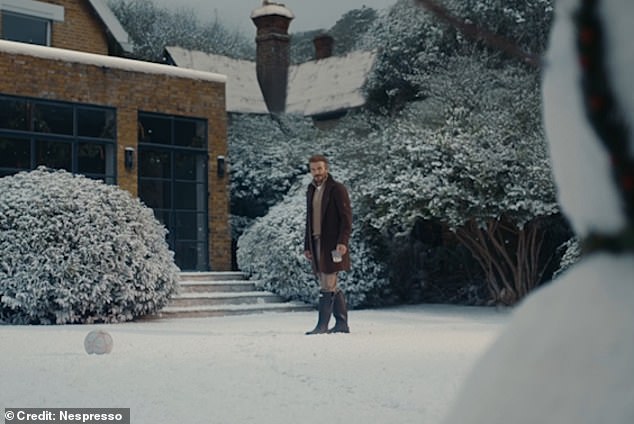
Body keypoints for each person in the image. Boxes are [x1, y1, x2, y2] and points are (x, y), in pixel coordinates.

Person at [303, 155, 352, 335]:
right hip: (316, 242)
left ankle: (322, 325)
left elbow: (346, 219)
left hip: (333, 244)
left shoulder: (337, 189)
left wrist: (342, 241)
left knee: (328, 281)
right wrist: (307, 245)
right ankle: (341, 323)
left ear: (326, 169)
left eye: (320, 169)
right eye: (313, 169)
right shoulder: (310, 190)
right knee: (329, 282)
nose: (316, 172)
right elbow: (308, 220)